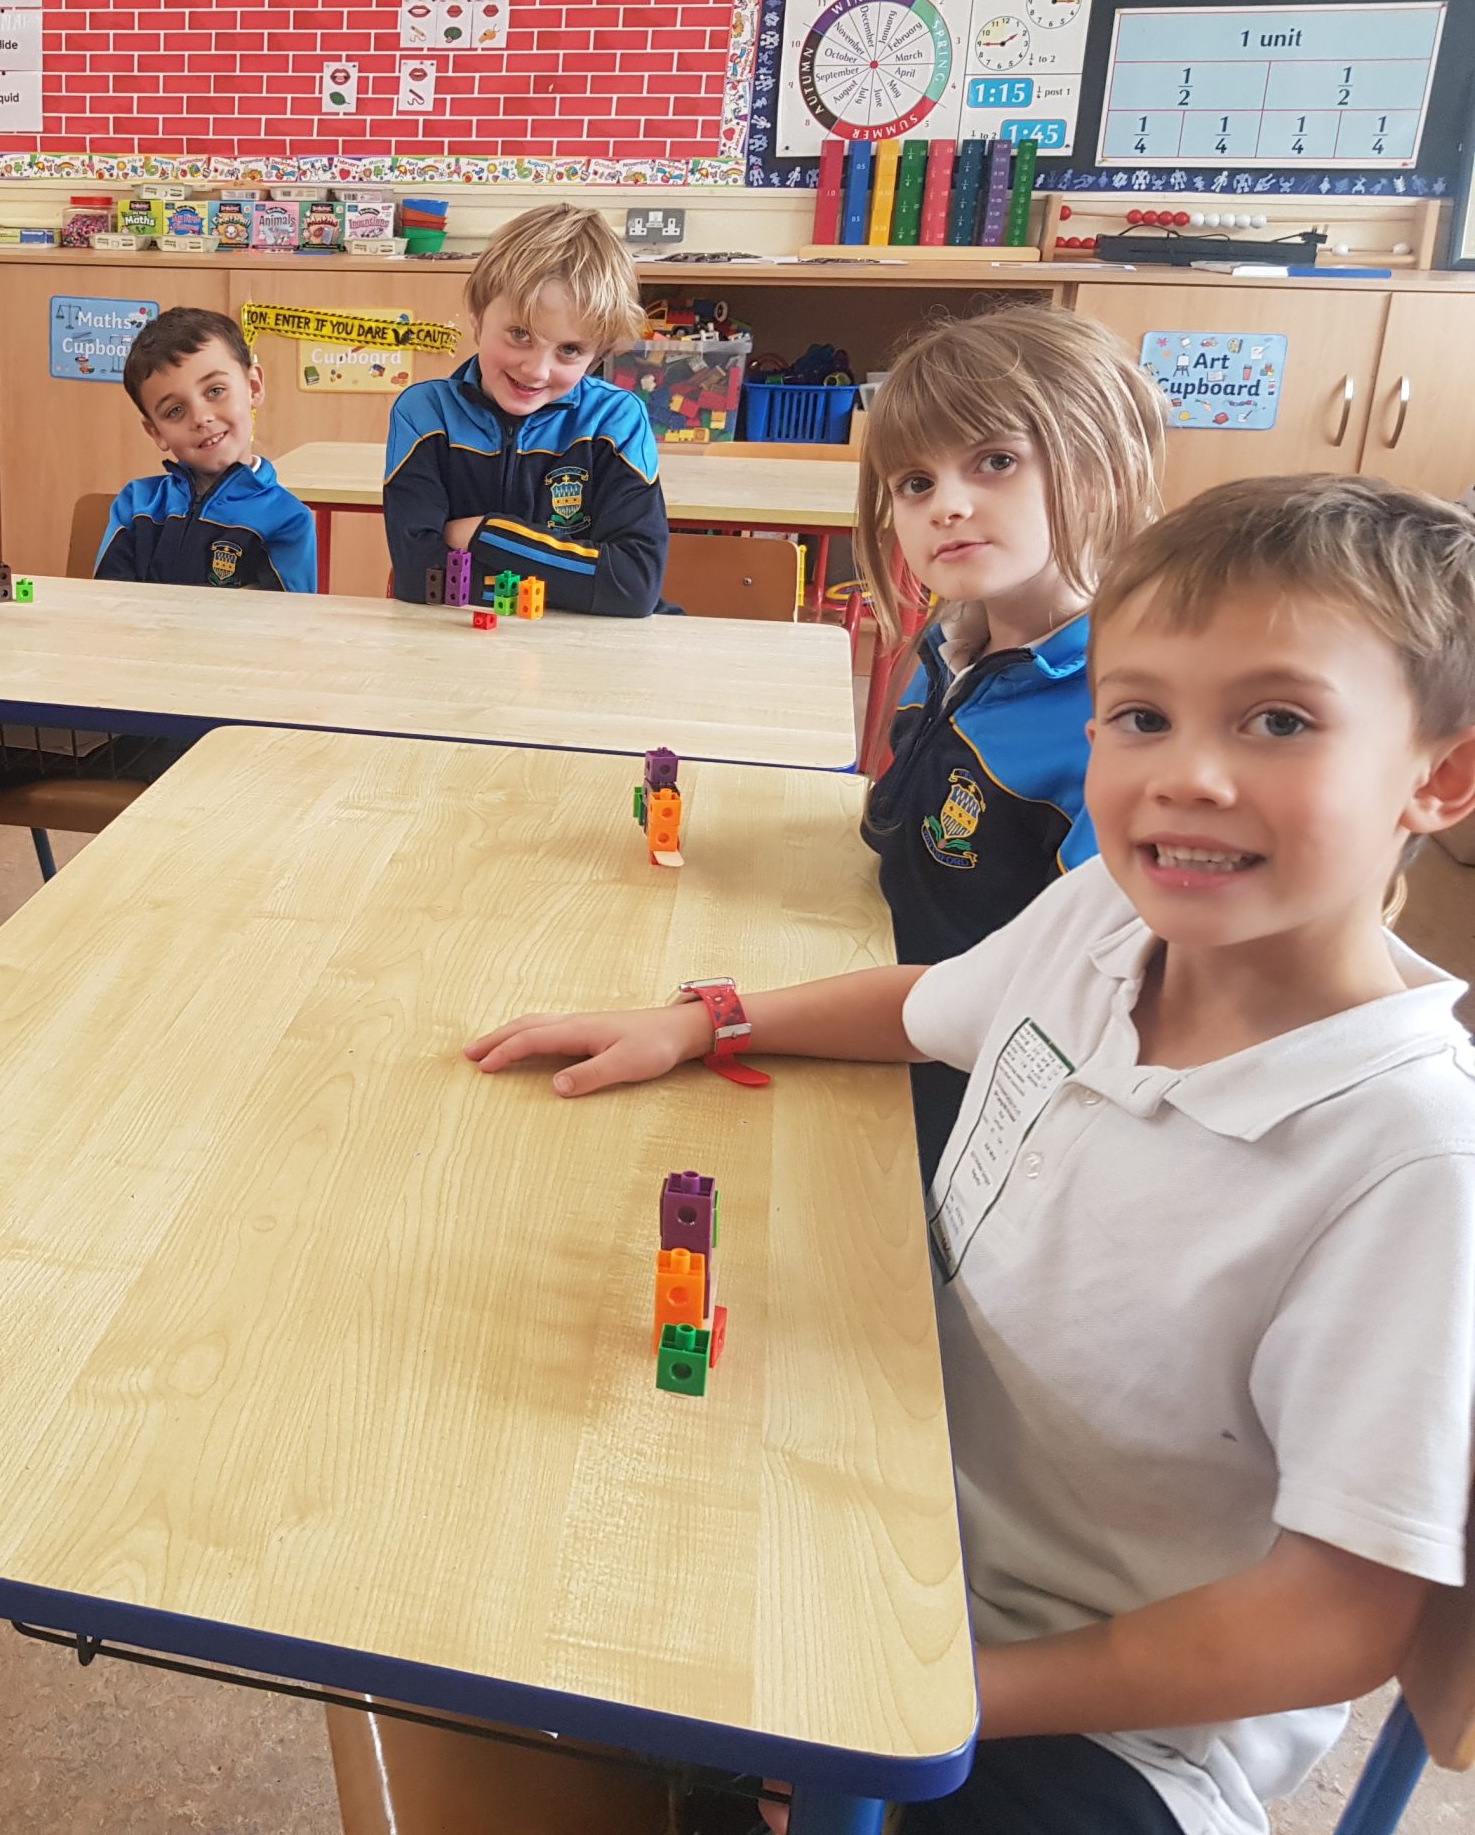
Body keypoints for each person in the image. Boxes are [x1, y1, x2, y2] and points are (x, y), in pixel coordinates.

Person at [468, 474, 1475, 1835]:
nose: (1186, 773)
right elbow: (931, 1005)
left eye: (1279, 721)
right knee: (502, 1566)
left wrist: (922, 1695)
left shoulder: (1411, 1160)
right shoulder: (1107, 915)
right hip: (891, 1523)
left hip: (1105, 1726)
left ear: (1439, 775)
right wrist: (705, 1019)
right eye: (1141, 716)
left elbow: (1333, 1621)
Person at [0, 307, 314, 993]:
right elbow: (106, 616)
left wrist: (166, 634)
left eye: (216, 391)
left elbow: (276, 643)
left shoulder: (286, 521)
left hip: (207, 734)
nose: (202, 418)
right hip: (112, 717)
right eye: (174, 410)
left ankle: (175, 980)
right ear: (155, 430)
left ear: (254, 385)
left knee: (209, 815)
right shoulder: (136, 504)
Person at [854, 305, 1166, 1182]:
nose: (947, 506)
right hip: (886, 1011)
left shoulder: (1127, 715)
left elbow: (1091, 994)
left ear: (1100, 467)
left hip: (990, 1107)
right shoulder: (952, 644)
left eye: (995, 461)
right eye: (915, 483)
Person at [382, 202, 665, 615]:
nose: (536, 370)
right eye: (520, 334)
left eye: (570, 349)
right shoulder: (425, 413)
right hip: (456, 642)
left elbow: (633, 586)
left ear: (598, 353)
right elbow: (421, 577)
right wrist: (577, 580)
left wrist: (484, 533)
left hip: (585, 647)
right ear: (477, 317)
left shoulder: (616, 420)